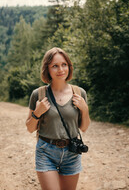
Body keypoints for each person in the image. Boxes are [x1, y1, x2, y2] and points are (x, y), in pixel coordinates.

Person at [26, 47, 90, 190]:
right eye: (55, 66)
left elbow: (84, 127)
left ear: (69, 66)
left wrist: (84, 110)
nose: (60, 69)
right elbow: (30, 128)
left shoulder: (79, 93)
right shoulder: (38, 94)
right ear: (47, 69)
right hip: (46, 151)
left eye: (64, 64)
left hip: (72, 152)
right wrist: (37, 112)